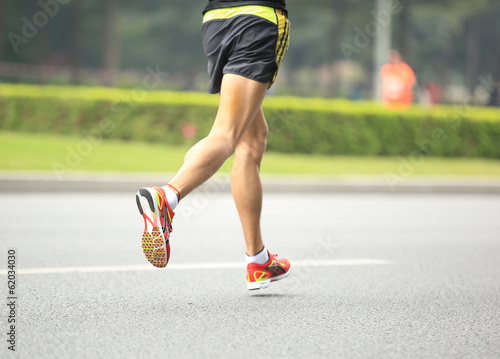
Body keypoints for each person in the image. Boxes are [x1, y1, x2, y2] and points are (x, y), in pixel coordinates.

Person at [135, 0, 291, 291]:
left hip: (216, 22)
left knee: (252, 138)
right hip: (257, 19)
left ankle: (258, 260)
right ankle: (167, 196)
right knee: (227, 133)